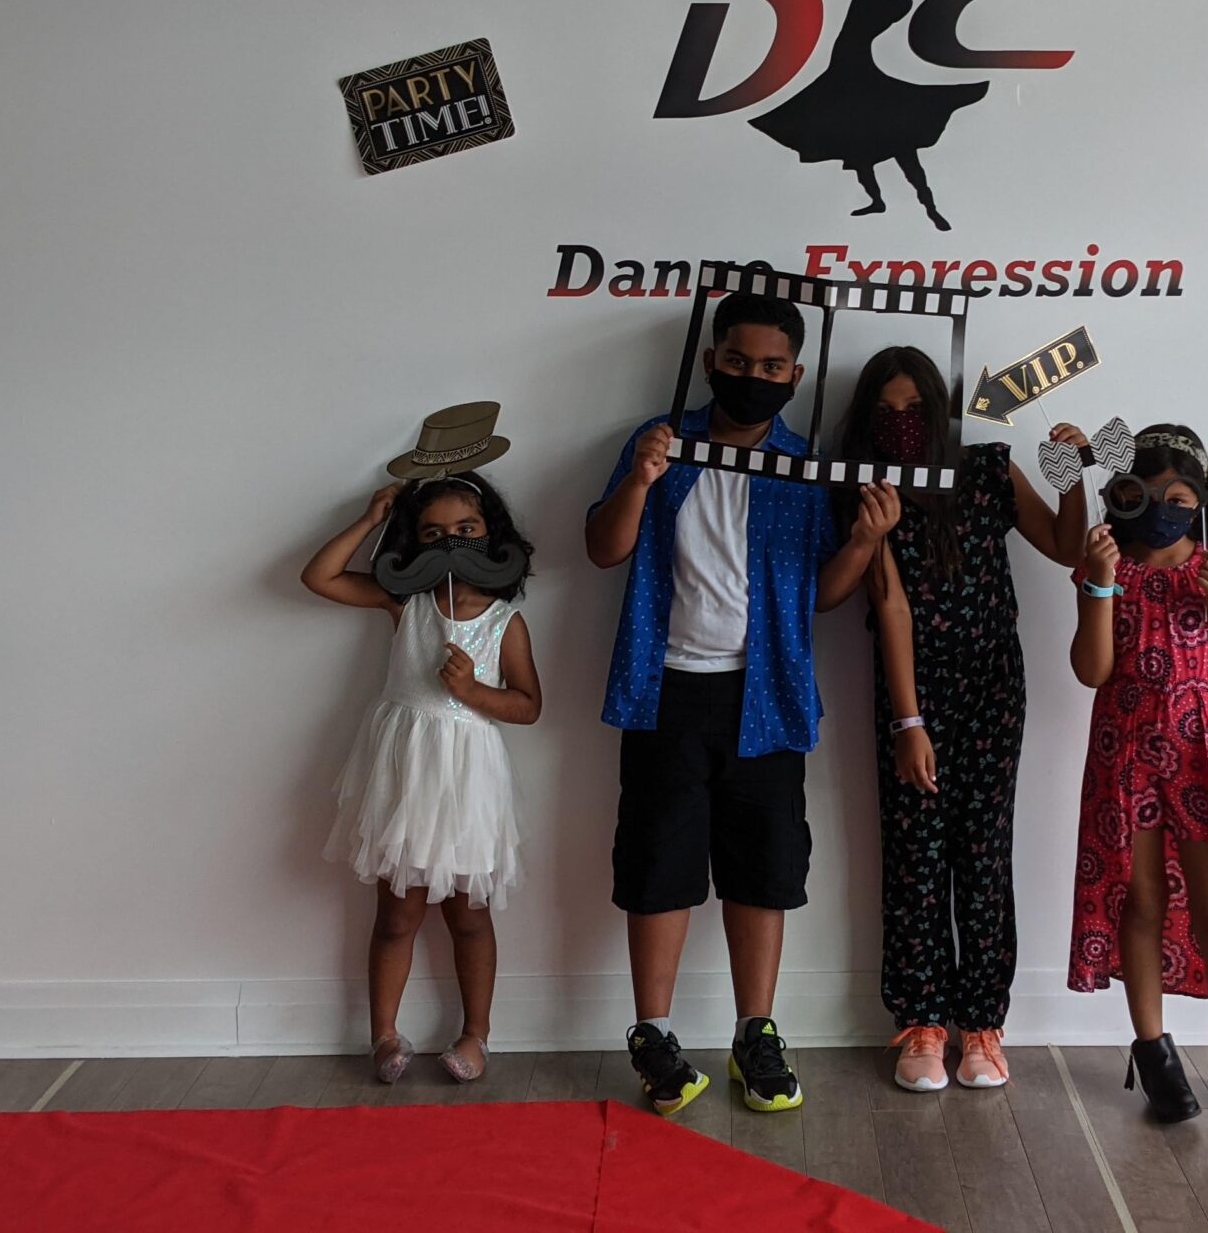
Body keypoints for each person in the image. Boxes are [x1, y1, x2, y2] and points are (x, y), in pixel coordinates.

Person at [587, 291, 900, 1116]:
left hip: (767, 694)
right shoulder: (661, 443)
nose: (752, 377)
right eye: (737, 362)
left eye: (770, 368)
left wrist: (865, 542)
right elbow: (603, 547)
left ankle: (755, 1032)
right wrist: (643, 479)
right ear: (709, 362)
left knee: (765, 866)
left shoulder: (803, 467)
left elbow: (822, 596)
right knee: (658, 860)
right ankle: (652, 1032)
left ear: (795, 375)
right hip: (665, 689)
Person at [831, 348, 1089, 1093]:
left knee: (983, 855)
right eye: (888, 412)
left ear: (941, 412)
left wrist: (1073, 472)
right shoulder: (866, 489)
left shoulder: (986, 468)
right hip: (912, 691)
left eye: (917, 410)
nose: (904, 425)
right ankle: (921, 1023)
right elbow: (888, 604)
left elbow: (1068, 547)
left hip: (994, 686)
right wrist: (909, 720)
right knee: (914, 854)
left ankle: (982, 1023)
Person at [1066, 424, 1208, 1122]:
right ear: (1121, 495)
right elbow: (1091, 670)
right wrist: (1101, 585)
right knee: (1140, 903)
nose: (1161, 506)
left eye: (1178, 494)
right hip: (1126, 759)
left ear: (1199, 499)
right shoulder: (1107, 567)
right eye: (1143, 492)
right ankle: (1154, 1052)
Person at [301, 467, 540, 1086]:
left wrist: (474, 691)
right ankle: (383, 1033)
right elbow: (319, 577)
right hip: (405, 775)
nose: (452, 543)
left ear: (492, 533)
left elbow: (529, 705)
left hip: (467, 781)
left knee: (469, 915)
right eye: (433, 534)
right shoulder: (405, 602)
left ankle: (475, 1033)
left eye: (466, 528)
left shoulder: (503, 622)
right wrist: (369, 521)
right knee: (396, 914)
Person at [747, 0, 987, 230]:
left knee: (891, 136)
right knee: (861, 138)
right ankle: (882, 200)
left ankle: (925, 203)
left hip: (855, 63)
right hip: (848, 64)